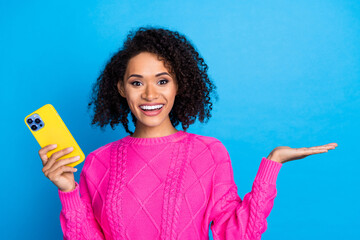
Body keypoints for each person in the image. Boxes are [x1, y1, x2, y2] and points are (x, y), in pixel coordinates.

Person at [38, 27, 338, 240]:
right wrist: (68, 191)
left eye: (163, 81)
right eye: (137, 83)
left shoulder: (208, 152)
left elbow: (236, 235)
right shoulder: (97, 162)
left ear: (178, 85)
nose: (150, 95)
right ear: (121, 88)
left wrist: (272, 165)